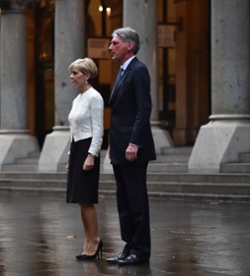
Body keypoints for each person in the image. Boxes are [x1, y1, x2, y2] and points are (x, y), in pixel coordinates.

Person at [106, 27, 156, 265]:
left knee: (136, 200)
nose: (110, 47)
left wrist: (134, 142)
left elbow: (143, 109)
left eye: (115, 43)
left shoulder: (138, 70)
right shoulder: (122, 72)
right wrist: (112, 144)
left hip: (133, 147)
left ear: (129, 46)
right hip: (119, 146)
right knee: (123, 200)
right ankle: (129, 245)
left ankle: (141, 250)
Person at [66, 58, 104, 260]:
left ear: (87, 75)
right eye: (71, 73)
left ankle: (95, 240)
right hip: (77, 148)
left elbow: (98, 130)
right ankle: (88, 240)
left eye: (76, 73)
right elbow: (73, 130)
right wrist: (70, 157)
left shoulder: (94, 97)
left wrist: (92, 155)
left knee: (86, 199)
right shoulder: (77, 99)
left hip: (88, 149)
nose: (72, 77)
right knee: (80, 200)